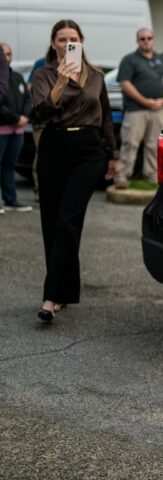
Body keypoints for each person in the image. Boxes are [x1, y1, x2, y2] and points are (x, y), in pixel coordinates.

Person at [29, 20, 118, 321]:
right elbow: (40, 112)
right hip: (55, 145)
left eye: (73, 39)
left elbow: (105, 115)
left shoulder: (95, 76)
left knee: (68, 219)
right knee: (53, 223)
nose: (67, 43)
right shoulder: (43, 74)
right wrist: (59, 84)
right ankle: (64, 291)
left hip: (89, 150)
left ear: (81, 41)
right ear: (53, 43)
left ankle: (51, 297)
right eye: (61, 39)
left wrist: (113, 154)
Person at [114, 28, 163, 188]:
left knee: (154, 144)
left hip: (158, 110)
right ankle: (122, 177)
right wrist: (144, 101)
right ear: (137, 41)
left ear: (153, 39)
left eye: (149, 38)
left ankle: (151, 176)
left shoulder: (162, 59)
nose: (146, 41)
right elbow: (125, 83)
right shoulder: (129, 60)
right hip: (136, 110)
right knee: (130, 143)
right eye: (142, 39)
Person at [0, 42, 32, 213]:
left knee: (10, 166)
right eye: (3, 53)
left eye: (9, 54)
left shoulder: (18, 77)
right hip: (2, 129)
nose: (6, 57)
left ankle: (10, 200)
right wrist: (14, 118)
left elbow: (28, 98)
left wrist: (25, 116)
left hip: (17, 131)